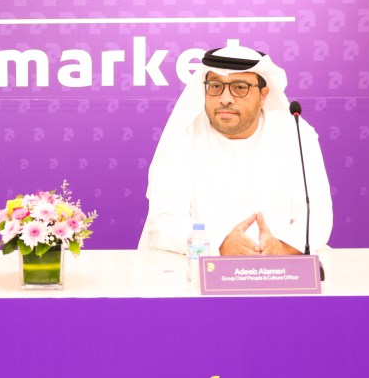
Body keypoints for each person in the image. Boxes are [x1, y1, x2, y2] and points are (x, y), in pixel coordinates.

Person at [139, 41, 332, 256]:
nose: (225, 99)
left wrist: (281, 247)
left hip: (279, 268)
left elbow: (316, 217)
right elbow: (164, 223)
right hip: (197, 269)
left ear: (264, 95)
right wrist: (218, 245)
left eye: (240, 87)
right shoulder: (183, 137)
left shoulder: (295, 134)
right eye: (215, 86)